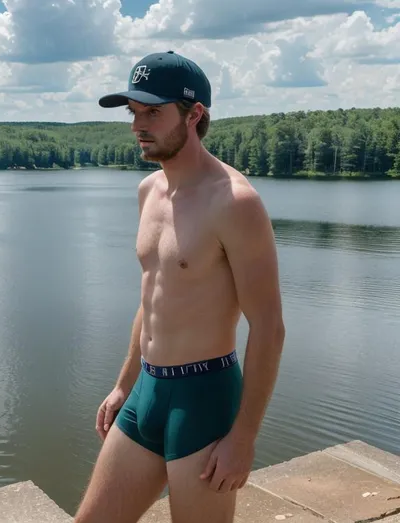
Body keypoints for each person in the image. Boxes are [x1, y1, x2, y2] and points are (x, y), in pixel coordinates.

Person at [73, 51, 286, 523]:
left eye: (153, 112)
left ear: (195, 115)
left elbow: (269, 327)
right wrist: (123, 385)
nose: (137, 126)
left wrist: (243, 438)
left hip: (203, 399)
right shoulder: (149, 191)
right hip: (147, 391)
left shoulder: (235, 203)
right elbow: (153, 299)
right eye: (134, 112)